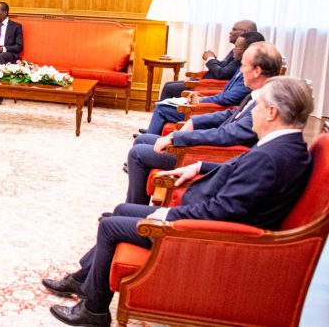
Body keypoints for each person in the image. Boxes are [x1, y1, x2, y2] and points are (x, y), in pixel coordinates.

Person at [43, 76, 314, 327]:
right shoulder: (288, 146)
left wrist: (165, 217)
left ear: (271, 112)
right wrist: (198, 168)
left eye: (258, 105)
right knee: (120, 210)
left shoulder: (268, 158)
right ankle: (83, 280)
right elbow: (238, 169)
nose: (252, 110)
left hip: (202, 236)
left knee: (110, 226)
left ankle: (94, 311)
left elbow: (221, 212)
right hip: (205, 218)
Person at [125, 41, 282, 204]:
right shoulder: (258, 94)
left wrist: (176, 138)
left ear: (257, 71)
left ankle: (134, 210)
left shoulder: (265, 104)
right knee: (143, 140)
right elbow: (231, 114)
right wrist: (194, 121)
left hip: (211, 155)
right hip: (213, 147)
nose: (240, 71)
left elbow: (226, 135)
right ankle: (134, 208)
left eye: (243, 66)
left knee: (138, 153)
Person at [141, 31, 265, 137]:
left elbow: (229, 96)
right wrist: (202, 96)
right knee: (166, 98)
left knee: (162, 108)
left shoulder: (250, 76)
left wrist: (201, 100)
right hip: (215, 106)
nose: (234, 50)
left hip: (213, 111)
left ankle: (151, 139)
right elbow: (226, 91)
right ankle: (152, 137)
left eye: (237, 47)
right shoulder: (242, 67)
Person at [159, 20, 257, 100]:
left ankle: (163, 113)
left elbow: (222, 73)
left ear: (245, 32)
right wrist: (213, 58)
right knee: (168, 84)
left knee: (169, 88)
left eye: (234, 29)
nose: (230, 31)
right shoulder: (237, 49)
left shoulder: (245, 52)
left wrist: (210, 59)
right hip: (206, 80)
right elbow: (225, 66)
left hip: (209, 85)